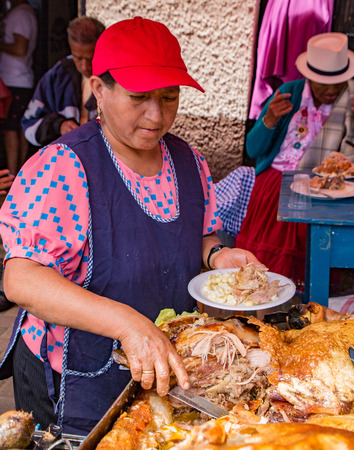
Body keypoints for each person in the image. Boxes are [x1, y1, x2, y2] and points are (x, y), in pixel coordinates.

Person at [0, 17, 262, 435]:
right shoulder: (63, 167)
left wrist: (218, 255)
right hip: (77, 378)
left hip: (163, 371)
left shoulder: (189, 162)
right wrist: (127, 323)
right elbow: (22, 280)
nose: (156, 116)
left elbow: (200, 233)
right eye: (139, 96)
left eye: (169, 97)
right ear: (99, 91)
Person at [235, 32, 354, 291]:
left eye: (339, 82)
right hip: (275, 186)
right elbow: (253, 148)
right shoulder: (289, 94)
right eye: (324, 83)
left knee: (315, 261)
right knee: (266, 270)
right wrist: (269, 120)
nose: (332, 90)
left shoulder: (350, 100)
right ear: (309, 76)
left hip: (323, 188)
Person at [21, 16, 105, 148]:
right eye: (78, 58)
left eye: (91, 58)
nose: (85, 67)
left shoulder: (114, 79)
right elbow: (29, 123)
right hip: (65, 161)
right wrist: (58, 125)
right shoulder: (58, 75)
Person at [0, 0, 37, 175]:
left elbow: (20, 48)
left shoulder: (20, 14)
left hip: (15, 79)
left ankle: (12, 175)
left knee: (10, 128)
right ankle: (18, 174)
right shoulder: (26, 13)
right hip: (20, 79)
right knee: (19, 127)